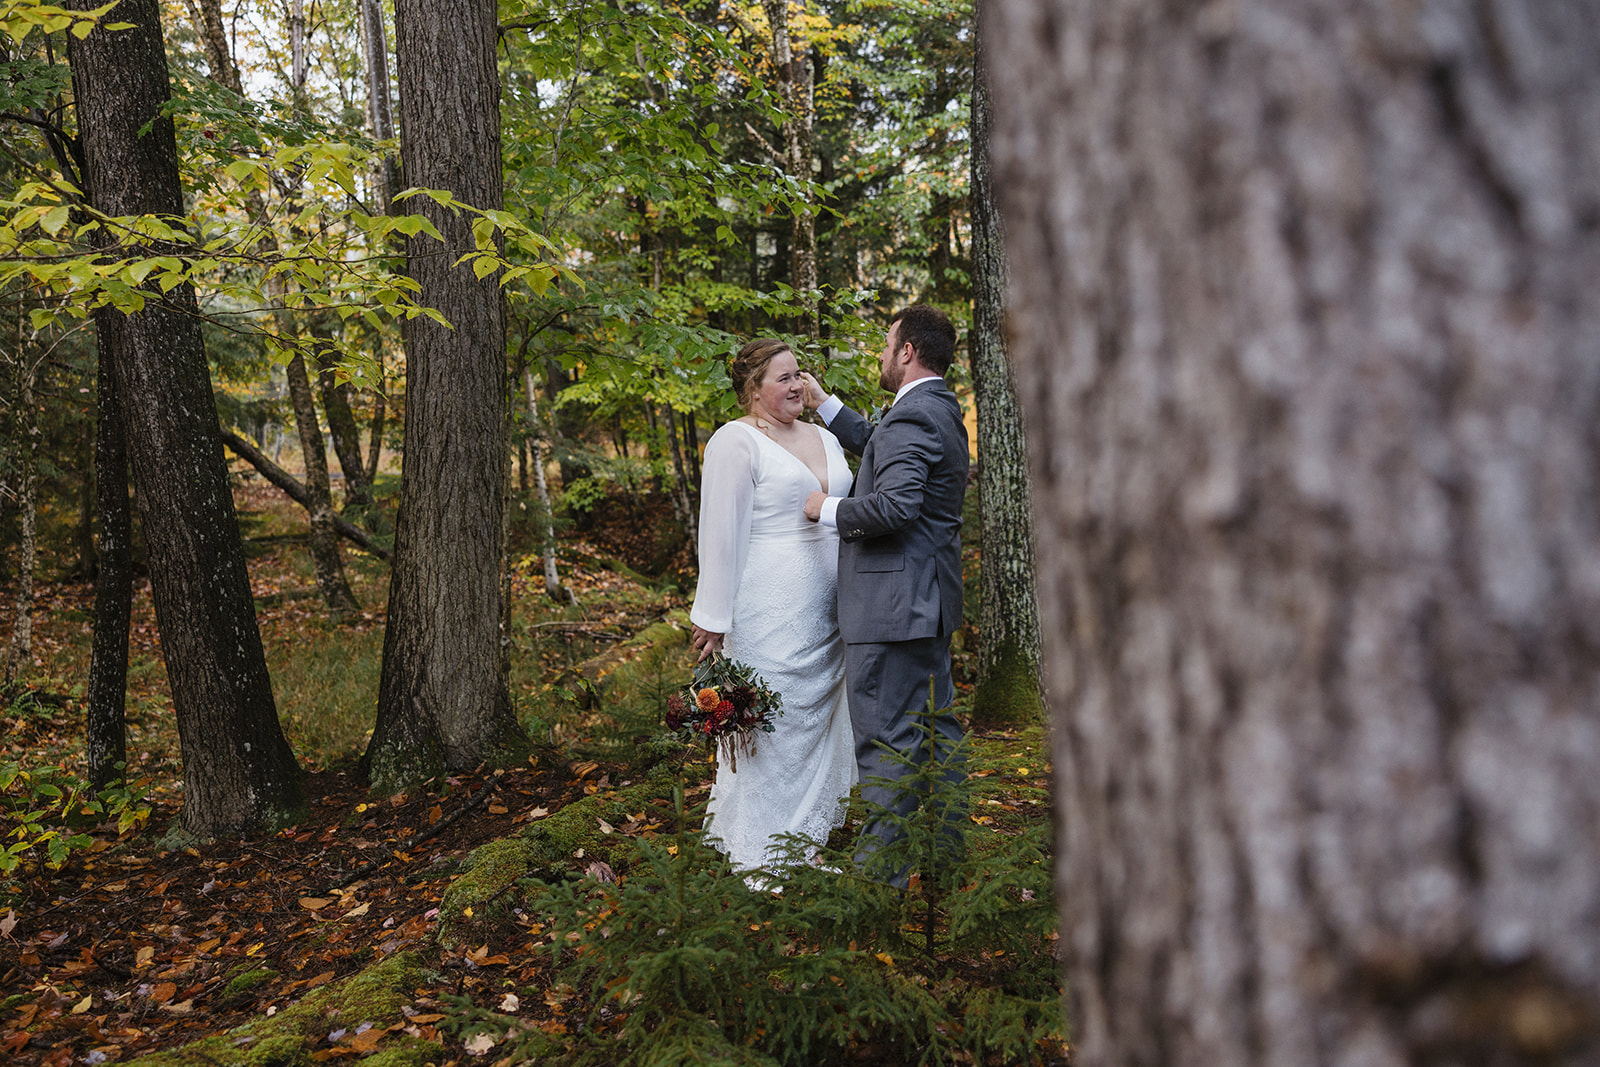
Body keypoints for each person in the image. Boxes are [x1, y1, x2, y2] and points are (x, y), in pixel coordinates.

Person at [802, 305, 969, 885]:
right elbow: (883, 449)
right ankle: (946, 865)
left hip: (892, 609)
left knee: (886, 745)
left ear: (906, 352)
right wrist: (827, 406)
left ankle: (878, 885)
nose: (880, 353)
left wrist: (826, 509)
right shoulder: (939, 410)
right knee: (935, 735)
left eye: (885, 342)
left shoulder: (913, 418)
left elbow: (896, 505)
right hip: (928, 604)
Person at [689, 338, 857, 875]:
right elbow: (720, 533)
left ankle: (805, 840)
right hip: (769, 604)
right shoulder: (734, 441)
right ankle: (760, 848)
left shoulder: (824, 436)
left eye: (799, 374)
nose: (796, 385)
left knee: (819, 722)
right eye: (783, 377)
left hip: (832, 606)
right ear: (753, 389)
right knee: (773, 722)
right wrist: (712, 619)